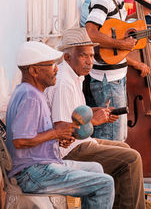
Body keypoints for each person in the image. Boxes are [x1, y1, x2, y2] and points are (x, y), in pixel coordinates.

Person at [45, 27, 146, 209]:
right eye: (84, 56)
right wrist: (93, 120)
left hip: (80, 142)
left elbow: (73, 112)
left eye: (92, 56)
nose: (90, 61)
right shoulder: (64, 82)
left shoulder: (75, 76)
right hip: (69, 149)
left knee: (125, 148)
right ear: (68, 57)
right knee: (131, 159)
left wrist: (94, 111)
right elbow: (61, 128)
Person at [5, 41, 115, 209]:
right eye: (50, 65)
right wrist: (56, 133)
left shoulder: (31, 92)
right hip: (33, 173)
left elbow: (33, 135)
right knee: (105, 184)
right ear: (34, 71)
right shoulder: (30, 96)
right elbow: (20, 140)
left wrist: (55, 140)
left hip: (39, 167)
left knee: (96, 168)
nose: (57, 69)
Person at [85, 0, 150, 141]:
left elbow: (117, 25)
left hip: (117, 75)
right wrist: (119, 45)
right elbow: (91, 31)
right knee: (112, 138)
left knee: (119, 135)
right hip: (107, 80)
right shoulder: (102, 0)